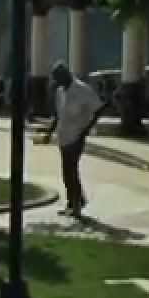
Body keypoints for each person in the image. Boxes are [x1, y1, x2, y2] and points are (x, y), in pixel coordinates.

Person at [47, 61, 105, 218]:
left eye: (59, 78)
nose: (57, 82)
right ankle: (75, 201)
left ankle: (76, 204)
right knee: (67, 171)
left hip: (76, 136)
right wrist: (48, 132)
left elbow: (99, 109)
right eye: (56, 79)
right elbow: (58, 115)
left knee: (71, 170)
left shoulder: (82, 89)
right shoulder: (60, 91)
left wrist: (86, 130)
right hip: (63, 136)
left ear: (66, 74)